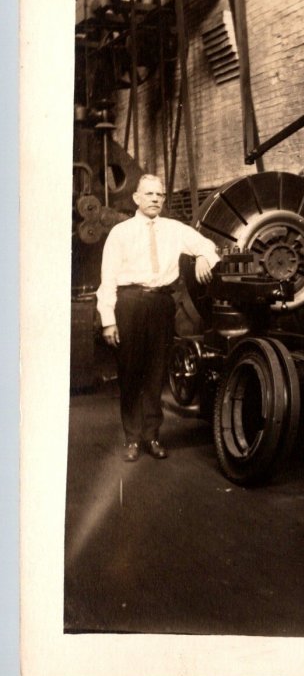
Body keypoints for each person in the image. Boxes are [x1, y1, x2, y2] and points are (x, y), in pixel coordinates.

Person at [96, 174, 219, 462]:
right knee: (130, 373)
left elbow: (209, 247)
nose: (155, 199)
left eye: (160, 195)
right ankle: (132, 439)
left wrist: (202, 257)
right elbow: (108, 279)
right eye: (149, 194)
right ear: (136, 198)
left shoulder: (175, 229)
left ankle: (151, 436)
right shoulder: (121, 233)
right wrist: (108, 319)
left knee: (156, 373)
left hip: (162, 304)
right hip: (129, 304)